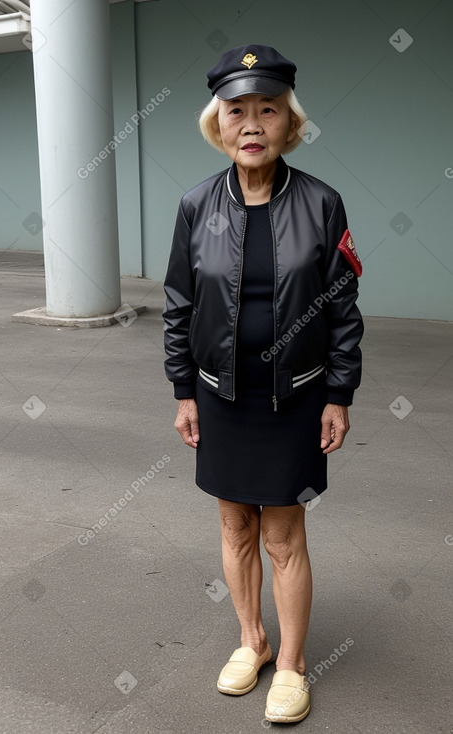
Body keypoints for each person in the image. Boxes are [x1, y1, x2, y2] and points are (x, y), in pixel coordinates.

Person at [163, 44, 363, 724]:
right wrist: (183, 389)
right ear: (216, 122)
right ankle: (250, 641)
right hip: (221, 395)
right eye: (235, 110)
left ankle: (292, 664)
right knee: (232, 524)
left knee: (282, 533)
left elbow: (342, 306)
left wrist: (338, 392)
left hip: (294, 395)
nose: (250, 124)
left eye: (267, 110)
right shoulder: (195, 206)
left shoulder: (320, 203)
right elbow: (178, 306)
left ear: (290, 123)